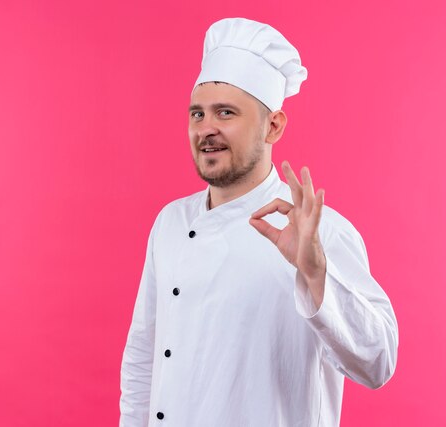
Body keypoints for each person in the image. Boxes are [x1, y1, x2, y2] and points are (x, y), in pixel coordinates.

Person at [119, 17, 398, 427]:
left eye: (225, 112)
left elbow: (378, 363)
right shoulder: (171, 223)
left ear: (273, 126)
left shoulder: (320, 232)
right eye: (197, 114)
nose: (206, 128)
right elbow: (143, 357)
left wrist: (317, 275)